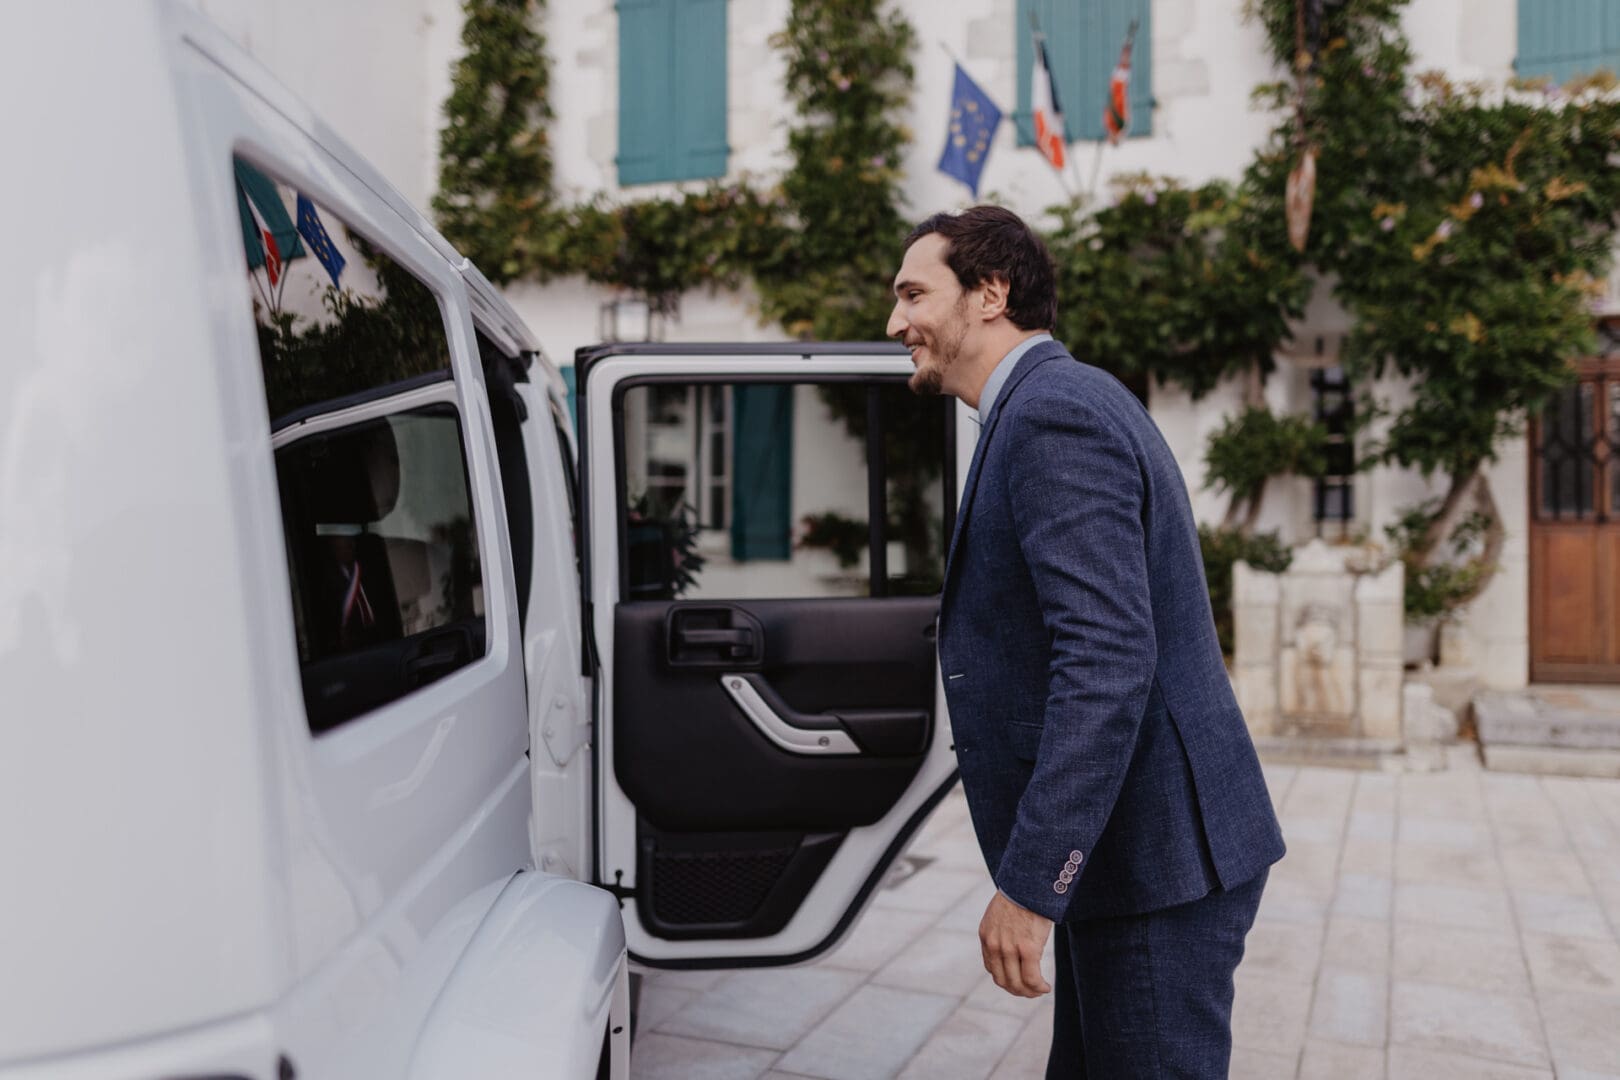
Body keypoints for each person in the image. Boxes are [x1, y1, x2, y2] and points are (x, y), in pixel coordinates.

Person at [886, 205, 1285, 1078]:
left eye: (914, 294)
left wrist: (1033, 883)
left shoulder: (1051, 416)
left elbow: (1106, 661)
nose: (895, 322)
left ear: (991, 293)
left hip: (1157, 865)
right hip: (1135, 860)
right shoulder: (1050, 402)